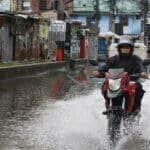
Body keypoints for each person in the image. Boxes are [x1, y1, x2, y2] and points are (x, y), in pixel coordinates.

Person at [93, 37, 147, 115]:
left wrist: (143, 72)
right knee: (105, 86)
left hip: (132, 80)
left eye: (127, 47)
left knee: (138, 88)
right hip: (117, 82)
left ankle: (135, 109)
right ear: (119, 48)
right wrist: (98, 71)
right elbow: (106, 66)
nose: (125, 49)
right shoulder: (114, 58)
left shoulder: (135, 58)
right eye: (123, 47)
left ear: (130, 48)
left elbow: (140, 65)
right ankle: (108, 106)